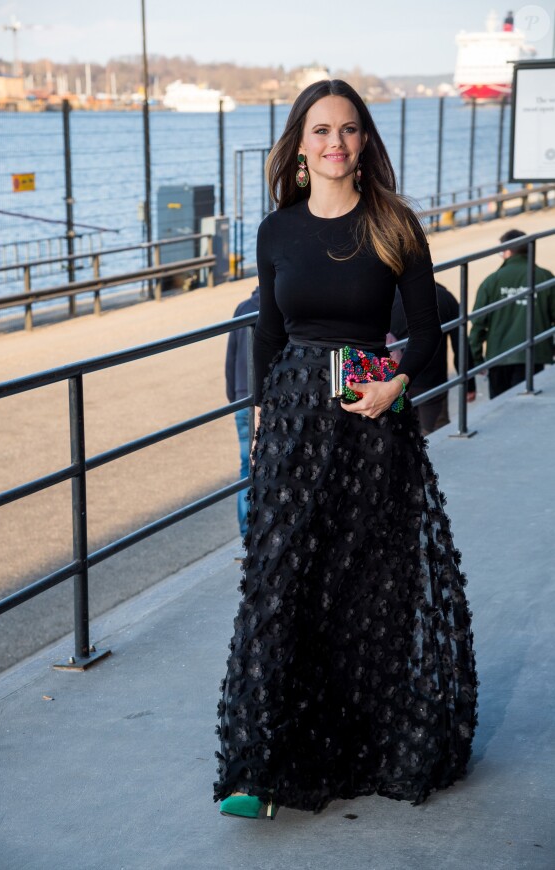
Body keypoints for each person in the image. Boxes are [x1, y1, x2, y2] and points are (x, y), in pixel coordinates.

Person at [214, 79, 478, 820]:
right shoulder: (277, 232)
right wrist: (265, 419)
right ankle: (257, 768)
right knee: (279, 582)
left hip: (370, 424)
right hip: (296, 424)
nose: (336, 143)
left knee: (366, 583)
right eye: (321, 130)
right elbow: (268, 334)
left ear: (364, 143)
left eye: (349, 130)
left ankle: (363, 744)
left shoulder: (394, 223)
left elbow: (426, 335)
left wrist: (396, 385)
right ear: (300, 144)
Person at [470, 228, 555, 399]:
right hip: (534, 354)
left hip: (498, 356)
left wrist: (477, 359)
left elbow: (478, 324)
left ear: (507, 250)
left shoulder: (492, 281)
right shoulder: (545, 277)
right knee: (527, 405)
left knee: (500, 407)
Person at [389, 283, 477, 434]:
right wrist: (469, 385)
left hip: (395, 381)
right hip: (432, 382)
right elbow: (460, 345)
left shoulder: (388, 296)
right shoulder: (445, 297)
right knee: (436, 434)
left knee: (401, 436)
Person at [225, 286, 260, 541]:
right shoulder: (280, 307)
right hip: (265, 397)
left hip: (241, 395)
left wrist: (233, 397)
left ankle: (245, 531)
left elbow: (231, 358)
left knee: (245, 466)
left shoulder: (242, 308)